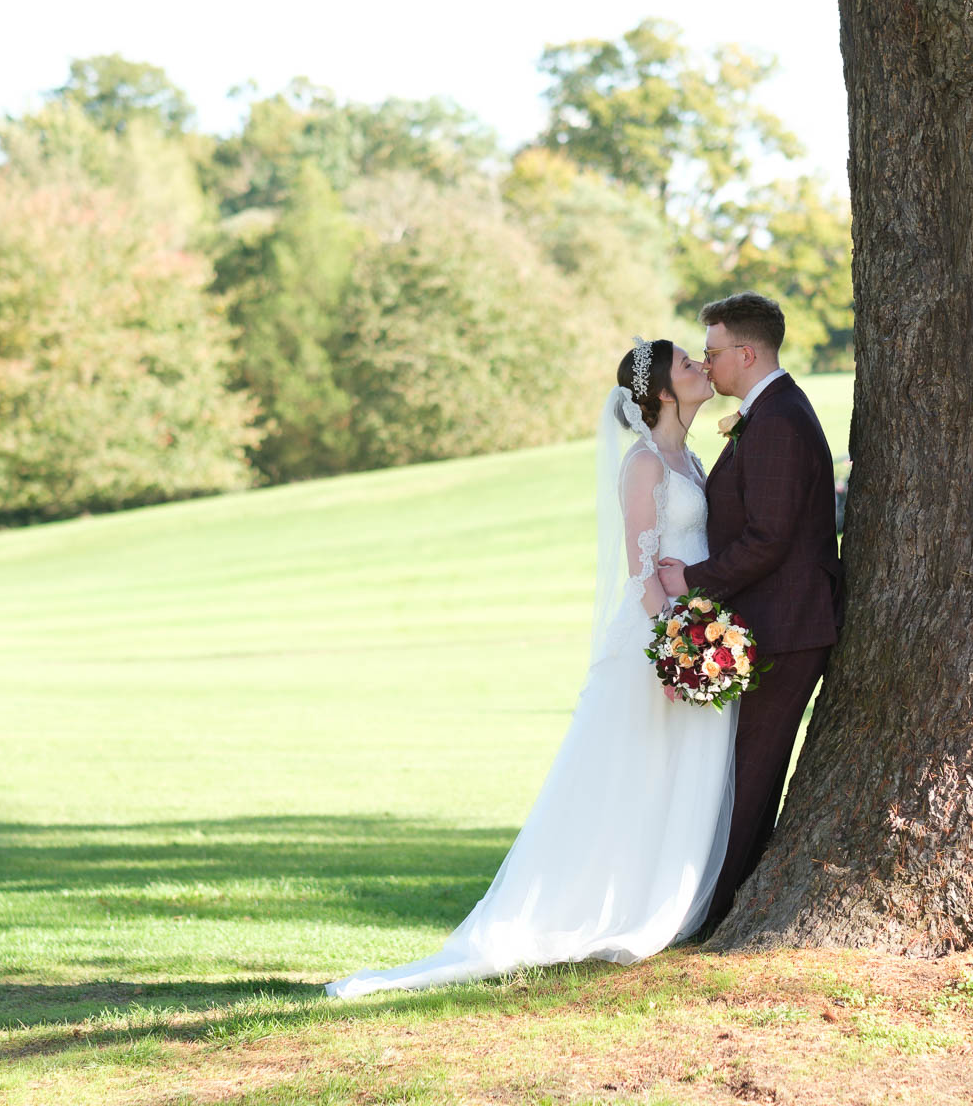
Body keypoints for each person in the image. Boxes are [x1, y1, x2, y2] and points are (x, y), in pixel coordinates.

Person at [325, 339, 737, 999]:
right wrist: (677, 644)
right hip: (660, 639)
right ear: (663, 391)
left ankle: (663, 896)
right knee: (633, 771)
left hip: (695, 630)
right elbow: (641, 569)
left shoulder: (690, 456)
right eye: (687, 364)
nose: (700, 369)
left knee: (676, 770)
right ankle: (606, 906)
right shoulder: (643, 466)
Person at [658, 292, 842, 932]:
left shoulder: (780, 420)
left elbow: (769, 537)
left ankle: (714, 914)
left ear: (746, 352)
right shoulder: (764, 415)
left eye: (711, 353)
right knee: (740, 775)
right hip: (770, 621)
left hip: (787, 626)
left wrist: (693, 581)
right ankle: (720, 905)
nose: (705, 365)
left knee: (750, 777)